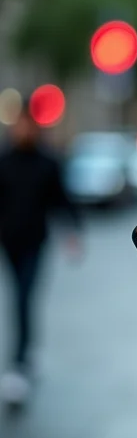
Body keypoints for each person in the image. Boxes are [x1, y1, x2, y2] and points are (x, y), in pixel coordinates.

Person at [0, 101, 81, 406]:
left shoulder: (47, 162)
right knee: (18, 297)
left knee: (24, 297)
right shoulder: (5, 160)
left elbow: (62, 199)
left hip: (35, 242)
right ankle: (24, 355)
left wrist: (73, 231)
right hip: (9, 242)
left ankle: (20, 361)